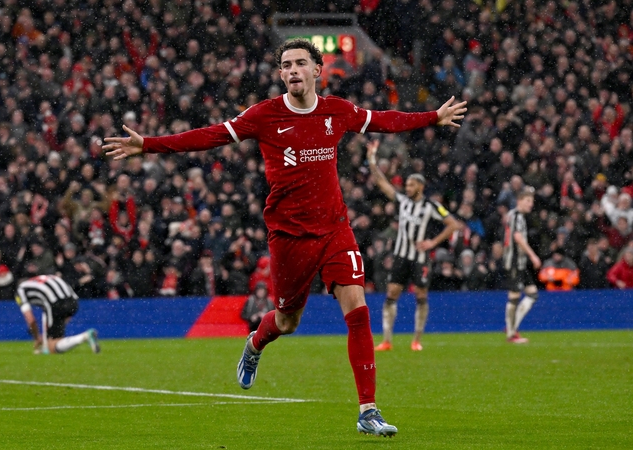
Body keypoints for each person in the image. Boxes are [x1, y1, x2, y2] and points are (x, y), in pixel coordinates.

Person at [104, 38, 466, 437]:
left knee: (358, 310)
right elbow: (210, 136)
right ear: (281, 74)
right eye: (287, 65)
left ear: (317, 70)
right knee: (287, 320)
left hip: (335, 229)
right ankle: (255, 344)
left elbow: (384, 119)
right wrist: (149, 145)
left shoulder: (336, 111)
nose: (293, 70)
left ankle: (368, 410)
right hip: (289, 236)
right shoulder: (264, 115)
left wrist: (433, 117)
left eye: (300, 63)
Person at [368, 143, 464, 352]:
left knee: (421, 296)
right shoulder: (402, 201)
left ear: (420, 186)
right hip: (401, 256)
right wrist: (372, 160)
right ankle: (387, 340)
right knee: (391, 294)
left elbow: (453, 224)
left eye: (411, 185)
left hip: (420, 258)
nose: (407, 188)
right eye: (407, 185)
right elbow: (382, 183)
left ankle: (416, 340)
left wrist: (432, 242)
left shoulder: (431, 206)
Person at [15, 274, 100, 354]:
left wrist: (37, 337)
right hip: (73, 302)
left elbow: (31, 320)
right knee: (56, 338)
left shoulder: (20, 290)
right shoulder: (43, 278)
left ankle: (85, 336)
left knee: (52, 346)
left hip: (56, 304)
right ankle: (46, 347)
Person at [502, 189, 542, 344]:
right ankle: (511, 334)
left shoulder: (516, 216)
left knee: (532, 294)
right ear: (519, 201)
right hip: (513, 262)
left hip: (520, 263)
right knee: (514, 296)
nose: (531, 204)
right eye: (528, 201)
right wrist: (533, 255)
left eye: (532, 201)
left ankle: (511, 326)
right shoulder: (516, 216)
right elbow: (517, 237)